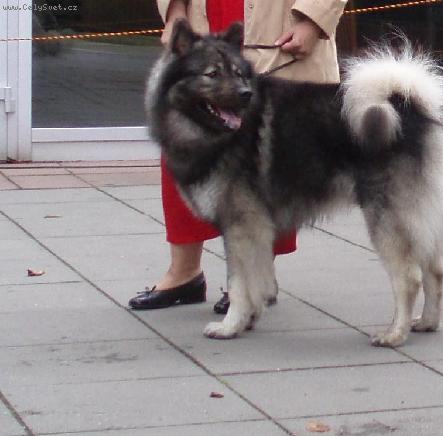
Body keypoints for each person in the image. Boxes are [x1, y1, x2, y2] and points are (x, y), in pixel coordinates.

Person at [129, 0, 347, 311]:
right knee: (183, 147)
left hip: (278, 21)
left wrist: (314, 19)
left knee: (269, 161)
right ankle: (184, 273)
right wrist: (174, 12)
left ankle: (254, 279)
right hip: (203, 16)